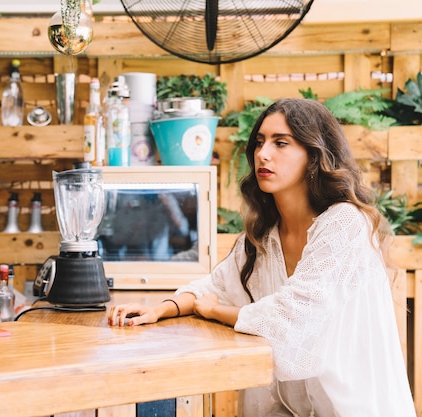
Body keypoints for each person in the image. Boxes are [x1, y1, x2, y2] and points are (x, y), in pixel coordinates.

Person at [107, 98, 416, 416]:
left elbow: (291, 319)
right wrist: (157, 310)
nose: (262, 154)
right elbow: (214, 286)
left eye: (281, 143)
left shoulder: (345, 222)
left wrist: (216, 312)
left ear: (314, 154)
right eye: (259, 142)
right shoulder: (264, 237)